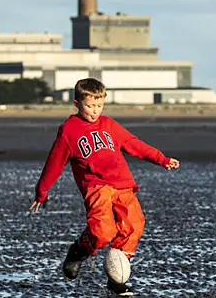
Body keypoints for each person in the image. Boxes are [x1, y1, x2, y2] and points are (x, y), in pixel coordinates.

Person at [28, 77, 180, 296]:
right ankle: (79, 251)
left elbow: (132, 144)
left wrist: (161, 159)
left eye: (99, 105)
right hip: (96, 187)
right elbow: (54, 162)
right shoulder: (69, 131)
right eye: (90, 105)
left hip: (123, 184)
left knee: (133, 226)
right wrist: (41, 191)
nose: (95, 111)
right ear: (76, 103)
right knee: (103, 231)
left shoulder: (108, 125)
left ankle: (116, 279)